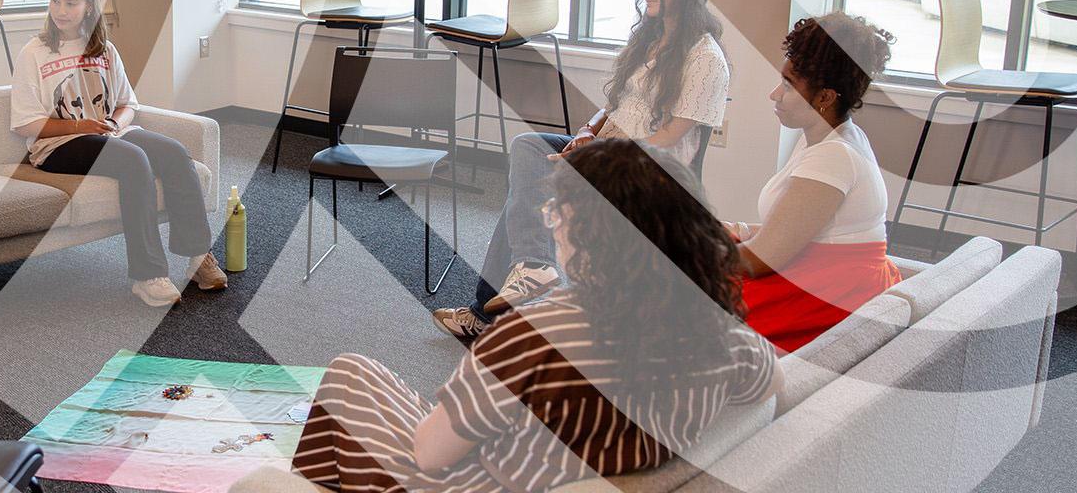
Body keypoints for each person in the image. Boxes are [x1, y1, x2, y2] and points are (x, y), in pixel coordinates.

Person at [293, 140, 780, 491]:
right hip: (562, 468)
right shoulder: (723, 337)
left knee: (346, 377)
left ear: (596, 236)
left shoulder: (537, 333)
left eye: (558, 214)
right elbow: (772, 387)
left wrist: (455, 411)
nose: (552, 224)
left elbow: (430, 453)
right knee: (363, 374)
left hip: (475, 482)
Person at [434, 0, 731, 337]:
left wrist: (600, 154)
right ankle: (532, 266)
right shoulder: (650, 39)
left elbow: (670, 137)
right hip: (606, 147)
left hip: (645, 170)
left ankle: (493, 306)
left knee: (523, 193)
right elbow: (612, 106)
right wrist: (587, 133)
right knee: (528, 148)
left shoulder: (705, 58)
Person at [10, 0, 223, 306]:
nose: (61, 11)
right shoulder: (34, 53)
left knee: (174, 152)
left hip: (109, 134)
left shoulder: (105, 50)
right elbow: (25, 124)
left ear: (89, 7)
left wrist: (113, 122)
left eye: (71, 3)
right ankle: (147, 275)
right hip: (58, 146)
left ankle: (198, 257)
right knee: (133, 160)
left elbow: (127, 103)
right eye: (55, 1)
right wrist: (82, 127)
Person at [727, 13, 902, 353]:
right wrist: (733, 229)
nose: (774, 94)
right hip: (820, 276)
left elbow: (762, 260)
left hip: (824, 296)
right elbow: (797, 228)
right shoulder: (830, 137)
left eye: (789, 85)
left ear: (825, 98)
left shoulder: (833, 155)